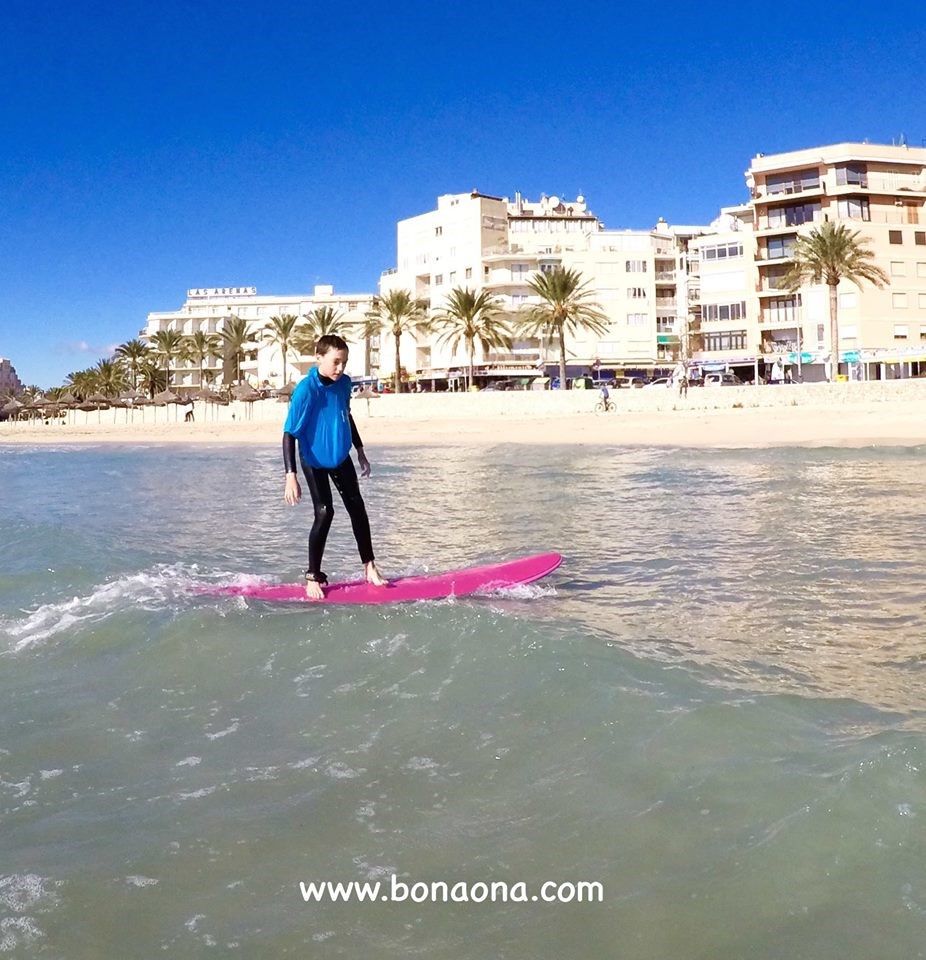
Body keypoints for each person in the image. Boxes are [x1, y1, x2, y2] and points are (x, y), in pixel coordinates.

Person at [282, 335, 386, 599]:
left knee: (357, 507)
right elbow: (289, 433)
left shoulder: (344, 384)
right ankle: (312, 575)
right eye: (335, 362)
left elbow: (346, 415)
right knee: (325, 512)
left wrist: (360, 450)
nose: (340, 368)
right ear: (319, 358)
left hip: (340, 456)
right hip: (313, 459)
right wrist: (290, 475)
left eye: (344, 362)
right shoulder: (306, 389)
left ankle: (370, 567)